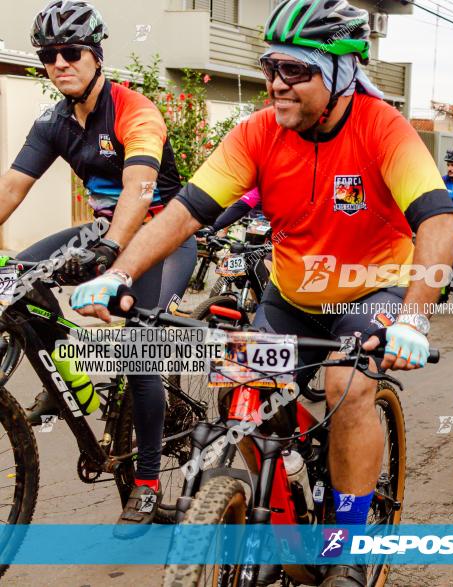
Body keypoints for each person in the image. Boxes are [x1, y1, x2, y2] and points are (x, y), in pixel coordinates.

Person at [70, 0, 453, 582]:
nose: (276, 84)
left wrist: (414, 319)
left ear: (342, 72)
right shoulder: (257, 132)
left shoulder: (385, 130)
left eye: (296, 71)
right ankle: (267, 497)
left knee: (345, 387)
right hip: (291, 296)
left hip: (371, 293)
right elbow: (184, 212)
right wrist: (117, 274)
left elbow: (438, 222)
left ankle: (349, 543)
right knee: (239, 387)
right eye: (270, 67)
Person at [0, 0, 196, 534]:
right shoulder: (55, 121)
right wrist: (104, 244)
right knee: (12, 278)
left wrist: (113, 255)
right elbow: (12, 188)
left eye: (71, 52)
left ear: (97, 55)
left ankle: (150, 485)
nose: (59, 63)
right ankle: (70, 370)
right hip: (104, 233)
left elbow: (139, 189)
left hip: (164, 236)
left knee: (139, 349)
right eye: (48, 56)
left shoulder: (137, 110)